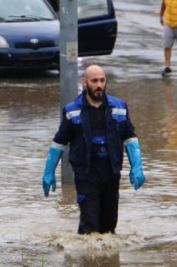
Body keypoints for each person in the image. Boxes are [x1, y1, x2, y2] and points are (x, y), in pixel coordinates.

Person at [42, 65, 146, 235]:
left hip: (111, 172)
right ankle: (85, 258)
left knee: (109, 227)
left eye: (102, 80)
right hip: (86, 173)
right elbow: (59, 143)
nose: (99, 85)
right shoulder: (72, 111)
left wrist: (137, 167)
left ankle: (106, 259)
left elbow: (130, 138)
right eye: (94, 81)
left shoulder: (119, 107)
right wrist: (49, 172)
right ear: (85, 83)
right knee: (90, 225)